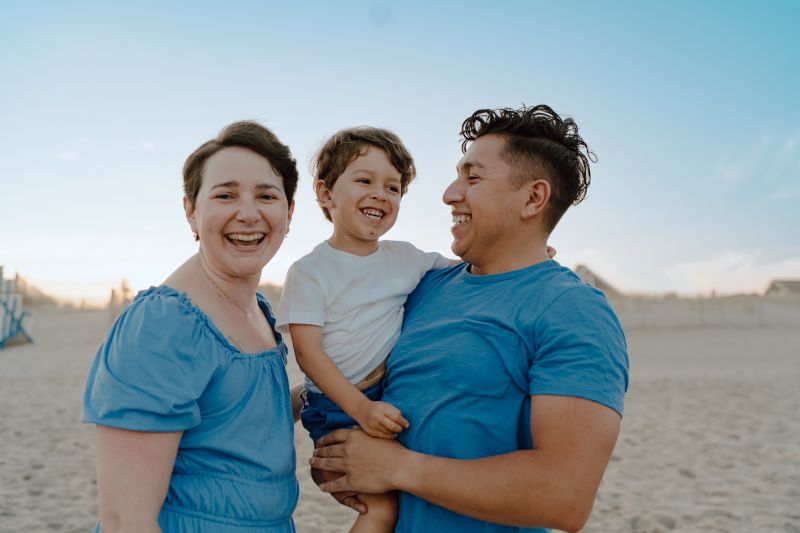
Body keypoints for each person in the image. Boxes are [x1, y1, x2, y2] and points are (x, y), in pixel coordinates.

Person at [310, 105, 630, 533]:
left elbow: (564, 495)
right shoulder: (424, 287)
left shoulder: (573, 310)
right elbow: (361, 363)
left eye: (472, 178)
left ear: (533, 198)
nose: (449, 194)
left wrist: (397, 468)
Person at [82, 121, 302, 532]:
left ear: (288, 213)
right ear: (191, 211)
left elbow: (235, 420)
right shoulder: (164, 323)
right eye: (225, 195)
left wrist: (315, 395)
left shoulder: (259, 309)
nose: (248, 214)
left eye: (267, 196)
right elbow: (125, 521)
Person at [276, 127, 452, 532]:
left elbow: (466, 269)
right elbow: (308, 355)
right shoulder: (310, 272)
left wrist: (525, 255)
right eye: (364, 180)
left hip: (389, 395)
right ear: (325, 194)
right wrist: (360, 408)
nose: (381, 194)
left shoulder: (407, 258)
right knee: (381, 509)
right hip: (338, 406)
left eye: (393, 188)